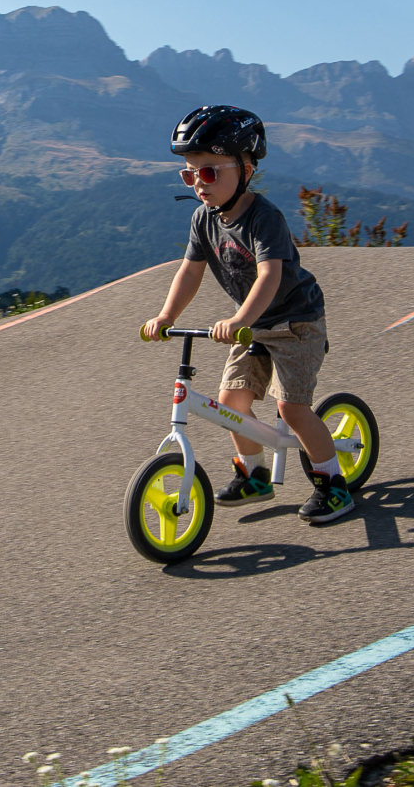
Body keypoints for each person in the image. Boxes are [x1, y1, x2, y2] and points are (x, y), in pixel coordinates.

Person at [140, 106, 353, 524]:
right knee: (230, 402)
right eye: (189, 174)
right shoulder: (203, 219)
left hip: (295, 322)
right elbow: (189, 272)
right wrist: (166, 315)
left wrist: (238, 320)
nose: (198, 184)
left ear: (246, 168)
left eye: (208, 172)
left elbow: (269, 275)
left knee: (291, 409)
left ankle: (333, 484)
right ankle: (254, 473)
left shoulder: (264, 218)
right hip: (253, 326)